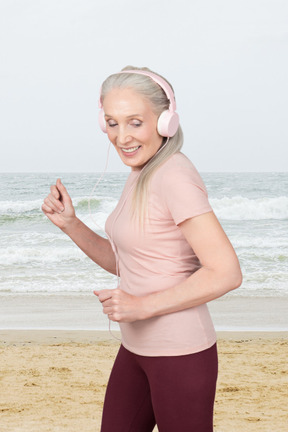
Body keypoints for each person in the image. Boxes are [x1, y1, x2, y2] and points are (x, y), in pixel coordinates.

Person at [42, 66, 242, 432]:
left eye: (135, 122)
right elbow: (129, 263)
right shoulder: (142, 172)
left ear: (165, 122)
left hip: (179, 352)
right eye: (113, 123)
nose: (121, 137)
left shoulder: (174, 176)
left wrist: (141, 306)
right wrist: (71, 224)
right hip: (136, 349)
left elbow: (227, 272)